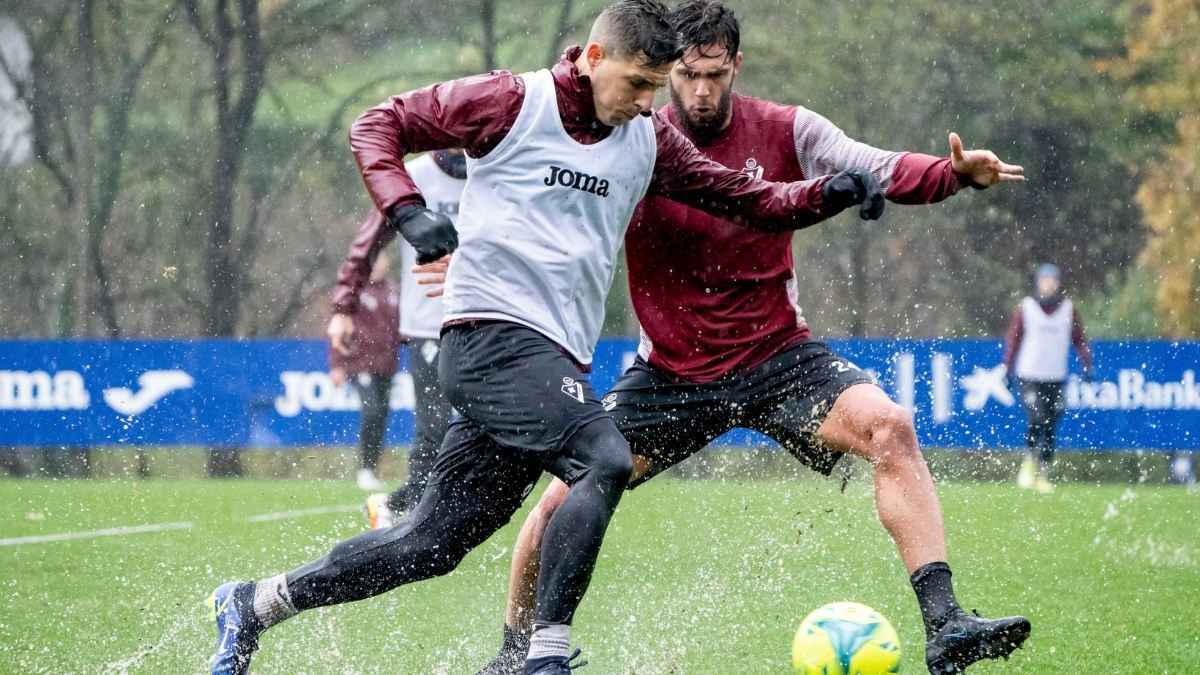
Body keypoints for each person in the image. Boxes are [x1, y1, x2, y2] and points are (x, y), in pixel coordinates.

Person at [205, 2, 884, 673]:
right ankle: (544, 655)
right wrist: (407, 212)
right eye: (637, 84)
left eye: (656, 87)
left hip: (547, 362)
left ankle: (256, 603)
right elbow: (378, 124)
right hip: (487, 336)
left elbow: (744, 197)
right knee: (605, 458)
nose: (648, 101)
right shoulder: (510, 102)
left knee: (431, 543)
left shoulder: (648, 135)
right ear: (593, 58)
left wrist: (829, 192)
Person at [468, 3, 1030, 673]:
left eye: (713, 74)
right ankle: (512, 656)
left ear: (736, 64)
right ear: (667, 68)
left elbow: (866, 163)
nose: (700, 90)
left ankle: (946, 624)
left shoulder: (787, 128)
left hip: (778, 356)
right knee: (561, 498)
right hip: (672, 372)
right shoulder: (636, 135)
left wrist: (949, 175)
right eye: (686, 75)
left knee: (891, 426)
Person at [353, 149, 466, 522]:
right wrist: (343, 304)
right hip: (428, 324)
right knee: (433, 423)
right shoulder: (413, 175)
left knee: (485, 424)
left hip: (486, 320)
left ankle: (438, 506)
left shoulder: (493, 169)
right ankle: (408, 508)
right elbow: (368, 243)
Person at [1003, 263, 1094, 494]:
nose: (1048, 285)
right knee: (1037, 418)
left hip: (1056, 377)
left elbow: (1079, 339)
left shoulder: (1068, 309)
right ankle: (1028, 464)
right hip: (1030, 375)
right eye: (1044, 280)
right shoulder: (1027, 307)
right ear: (1038, 282)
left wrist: (1087, 364)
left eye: (1052, 280)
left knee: (1051, 426)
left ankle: (1043, 474)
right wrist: (1007, 368)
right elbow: (1014, 339)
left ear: (1058, 283)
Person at [328, 251, 402, 492]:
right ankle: (364, 469)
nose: (379, 265)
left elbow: (400, 328)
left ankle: (372, 468)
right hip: (361, 363)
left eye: (382, 260)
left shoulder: (393, 291)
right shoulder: (354, 292)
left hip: (387, 365)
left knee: (381, 415)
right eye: (375, 260)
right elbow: (338, 326)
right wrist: (337, 364)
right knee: (370, 412)